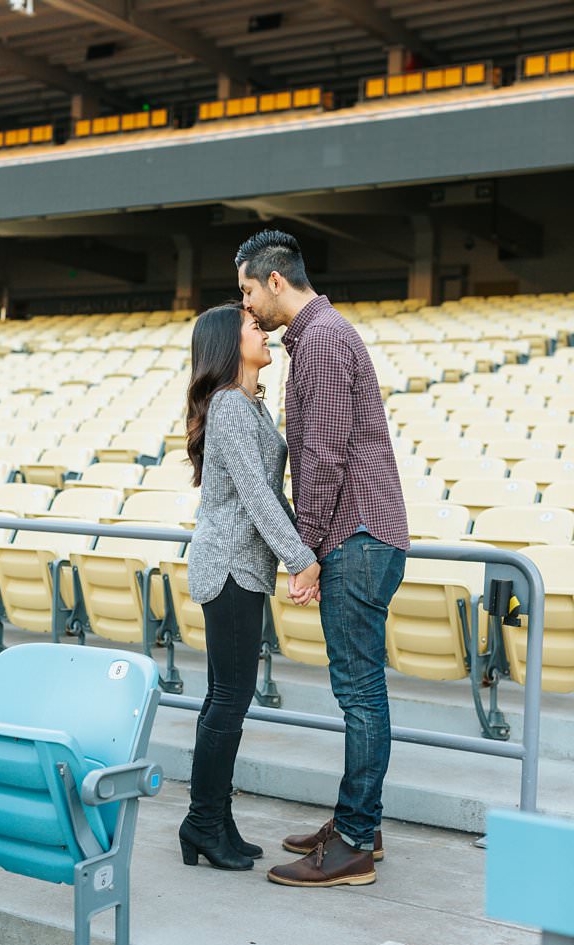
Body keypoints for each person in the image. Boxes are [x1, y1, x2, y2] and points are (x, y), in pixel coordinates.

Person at [236, 229, 409, 888]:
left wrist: (302, 549)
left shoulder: (325, 340)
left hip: (356, 537)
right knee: (358, 692)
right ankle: (360, 819)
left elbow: (326, 454)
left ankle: (357, 841)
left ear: (276, 281)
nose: (247, 306)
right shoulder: (315, 339)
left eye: (250, 291)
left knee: (360, 695)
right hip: (355, 535)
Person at [179, 303, 319, 872]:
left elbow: (267, 493)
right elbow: (259, 498)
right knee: (229, 698)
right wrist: (300, 558)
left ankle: (213, 816)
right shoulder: (232, 406)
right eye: (252, 327)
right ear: (227, 345)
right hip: (230, 566)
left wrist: (302, 554)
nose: (264, 332)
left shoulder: (249, 407)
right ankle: (203, 820)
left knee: (225, 696)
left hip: (242, 566)